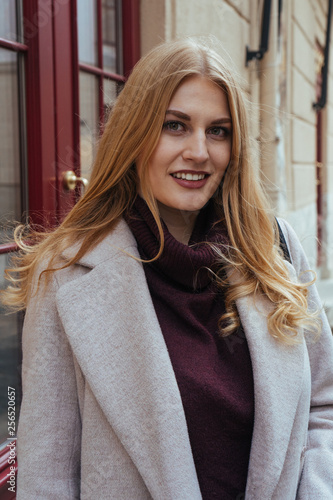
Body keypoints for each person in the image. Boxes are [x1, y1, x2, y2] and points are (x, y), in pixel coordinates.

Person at [2, 37, 333, 500]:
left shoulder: (276, 249)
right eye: (175, 126)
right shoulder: (67, 272)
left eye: (218, 131)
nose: (199, 151)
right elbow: (48, 472)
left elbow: (323, 405)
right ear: (134, 135)